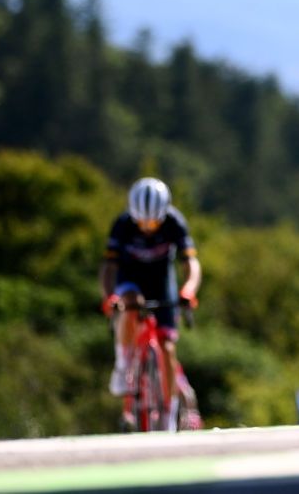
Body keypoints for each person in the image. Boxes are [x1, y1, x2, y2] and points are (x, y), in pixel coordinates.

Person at [100, 177, 202, 427]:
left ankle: (169, 412)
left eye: (153, 221)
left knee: (167, 347)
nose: (147, 227)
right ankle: (123, 365)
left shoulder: (175, 222)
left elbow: (191, 263)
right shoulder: (123, 225)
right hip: (130, 278)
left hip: (161, 279)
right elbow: (109, 267)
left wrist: (188, 289)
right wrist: (109, 296)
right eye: (142, 221)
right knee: (131, 303)